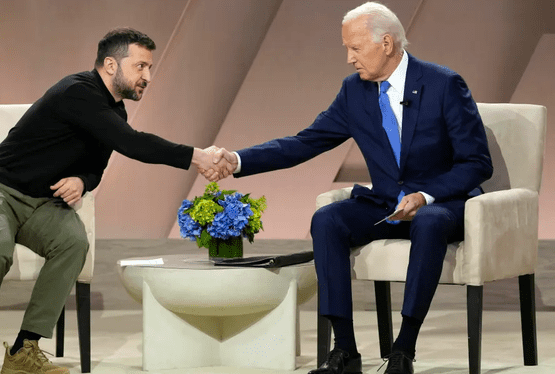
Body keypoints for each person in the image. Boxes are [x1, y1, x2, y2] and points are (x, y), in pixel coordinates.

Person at [205, 2, 493, 373]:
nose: (348, 58)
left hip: (442, 203)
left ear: (386, 43)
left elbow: (476, 163)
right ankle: (345, 352)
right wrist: (239, 160)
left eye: (355, 48)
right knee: (327, 220)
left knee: (431, 221)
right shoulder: (354, 91)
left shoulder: (443, 84)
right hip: (386, 202)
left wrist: (425, 195)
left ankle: (404, 349)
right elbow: (305, 142)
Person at [0, 28, 230, 374]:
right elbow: (133, 145)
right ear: (110, 64)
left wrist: (81, 180)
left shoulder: (114, 112)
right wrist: (197, 156)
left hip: (41, 203)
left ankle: (23, 351)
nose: (147, 77)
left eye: (149, 68)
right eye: (140, 67)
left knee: (73, 244)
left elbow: (96, 168)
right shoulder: (78, 92)